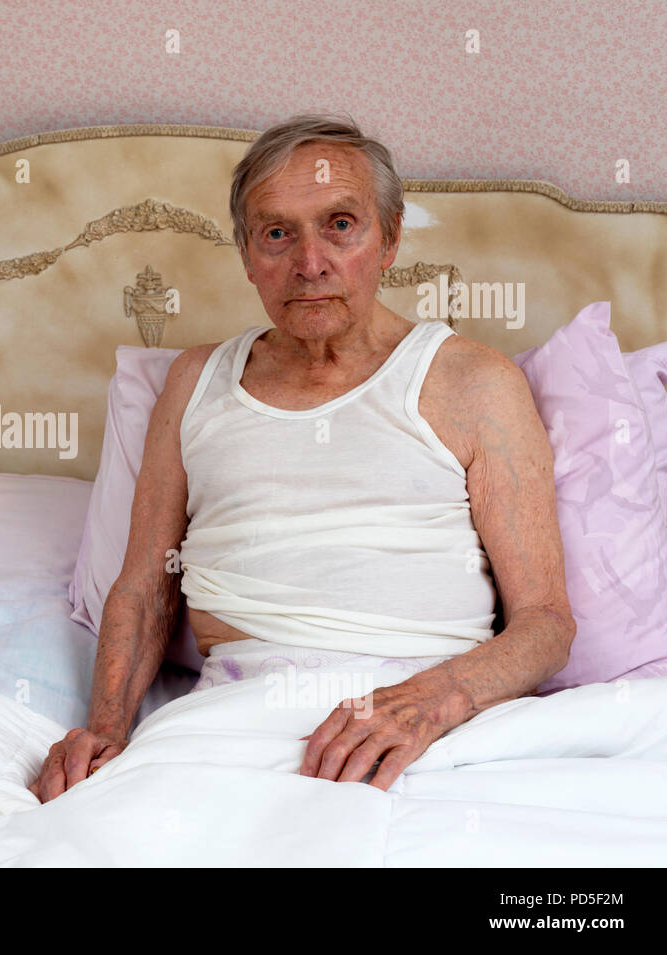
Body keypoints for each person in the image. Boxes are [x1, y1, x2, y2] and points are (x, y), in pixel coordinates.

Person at [29, 114, 575, 802]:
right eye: (278, 233)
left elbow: (547, 622)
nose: (309, 262)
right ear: (247, 254)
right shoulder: (195, 382)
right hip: (234, 722)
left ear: (391, 237)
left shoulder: (473, 381)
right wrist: (103, 729)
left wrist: (429, 701)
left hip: (429, 721)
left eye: (340, 224)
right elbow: (143, 587)